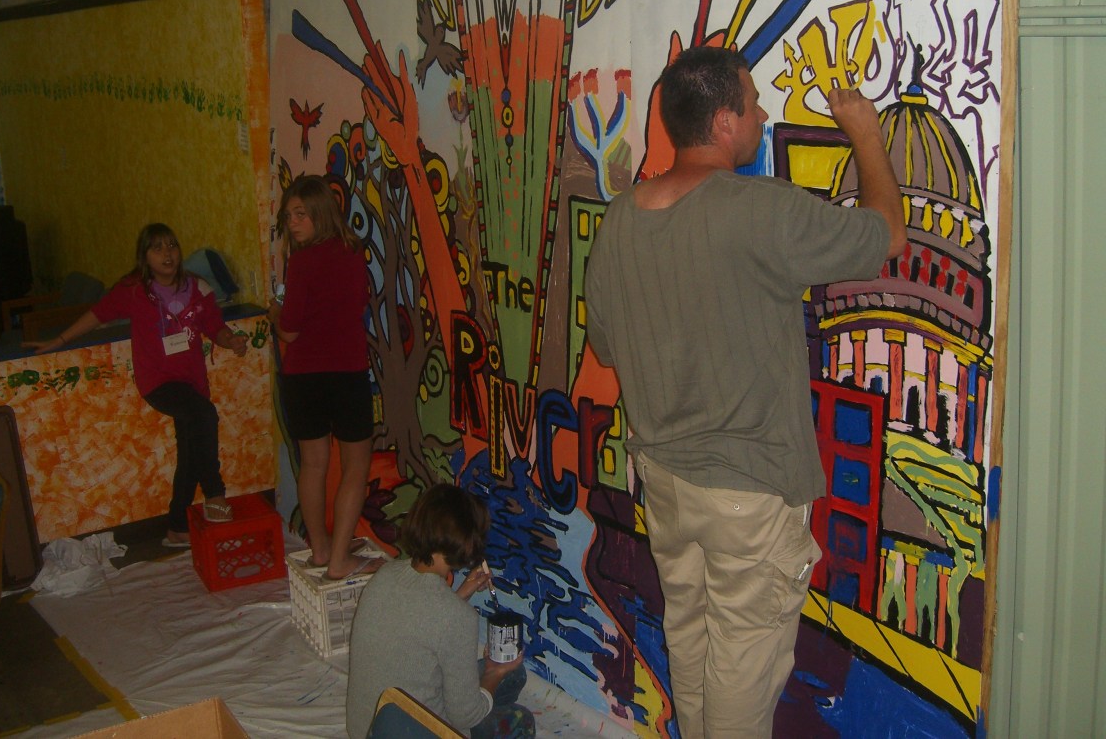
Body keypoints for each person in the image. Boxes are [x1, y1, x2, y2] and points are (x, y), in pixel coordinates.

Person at [584, 46, 906, 739]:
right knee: (739, 681)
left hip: (666, 486)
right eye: (754, 104)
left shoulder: (620, 221)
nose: (763, 116)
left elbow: (607, 348)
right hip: (749, 496)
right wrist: (866, 135)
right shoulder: (761, 210)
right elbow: (886, 235)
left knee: (693, 653)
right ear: (724, 122)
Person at [31, 223, 249, 548]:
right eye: (157, 248)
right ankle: (215, 493)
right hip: (158, 382)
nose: (167, 254)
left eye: (172, 246)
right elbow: (97, 315)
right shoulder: (134, 290)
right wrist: (59, 340)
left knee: (191, 448)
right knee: (204, 414)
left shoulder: (197, 287)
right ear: (144, 256)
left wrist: (231, 340)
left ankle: (177, 528)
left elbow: (214, 326)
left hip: (193, 382)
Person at [345, 483, 533, 739]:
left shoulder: (386, 574)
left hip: (365, 729)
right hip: (415, 733)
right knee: (522, 720)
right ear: (467, 543)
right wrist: (494, 672)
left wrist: (461, 594)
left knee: (514, 675)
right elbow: (465, 716)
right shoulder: (457, 618)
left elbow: (421, 622)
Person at [270, 174, 379, 581]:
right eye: (288, 216)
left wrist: (274, 313)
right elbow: (356, 306)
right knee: (355, 466)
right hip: (346, 373)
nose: (293, 223)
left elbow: (289, 331)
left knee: (314, 465)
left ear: (319, 212)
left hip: (303, 377)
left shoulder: (301, 261)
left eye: (300, 214)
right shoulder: (353, 252)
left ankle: (321, 551)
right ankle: (338, 559)